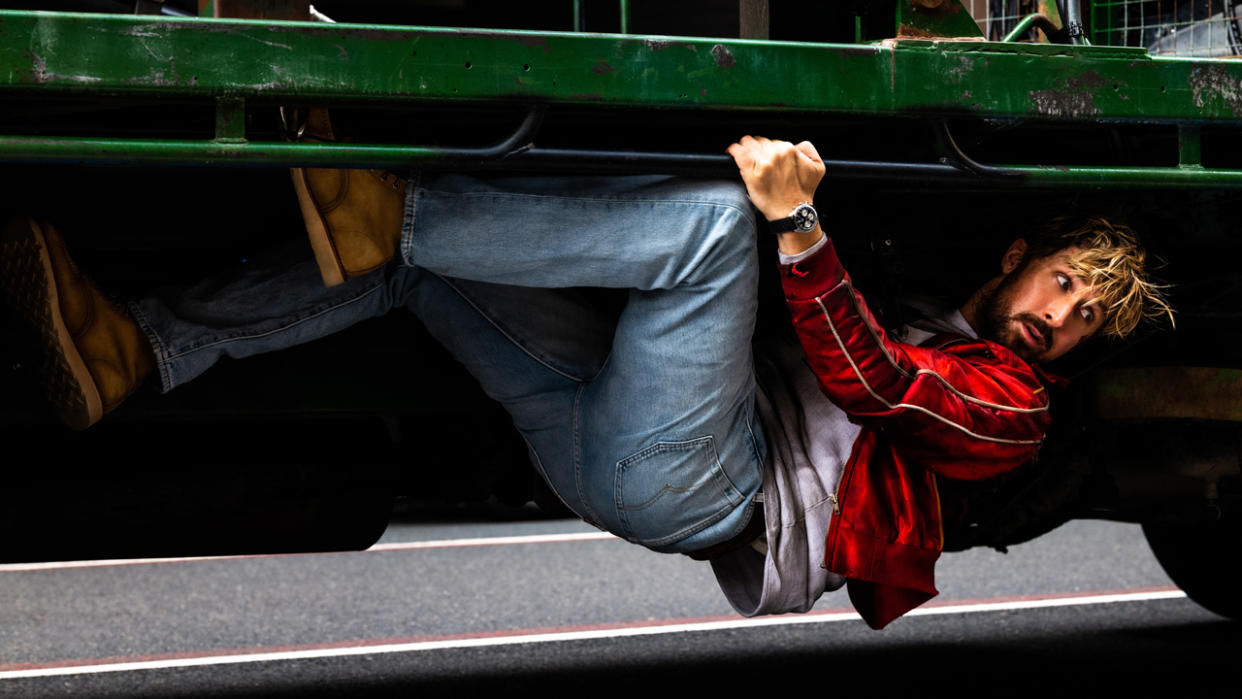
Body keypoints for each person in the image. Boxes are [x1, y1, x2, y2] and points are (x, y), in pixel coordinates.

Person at [0, 123, 1172, 628]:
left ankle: (397, 215)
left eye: (1087, 322)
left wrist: (797, 227)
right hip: (618, 443)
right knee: (419, 277)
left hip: (706, 485)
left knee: (726, 226)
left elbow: (872, 383)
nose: (1060, 322)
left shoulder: (1011, 410)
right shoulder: (932, 307)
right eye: (1066, 284)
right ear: (1020, 260)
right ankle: (141, 350)